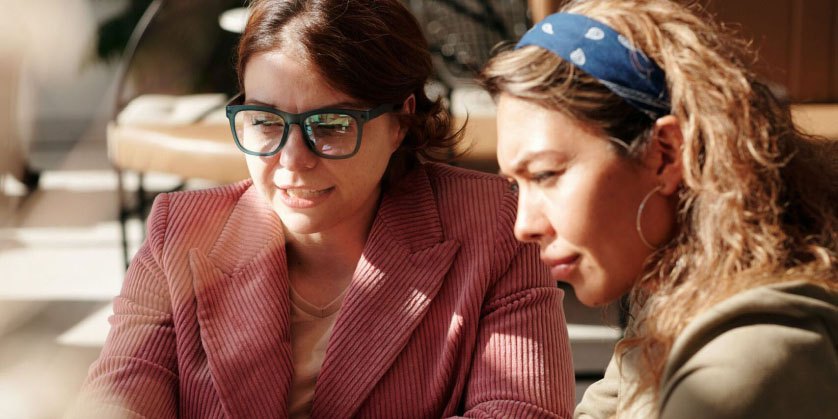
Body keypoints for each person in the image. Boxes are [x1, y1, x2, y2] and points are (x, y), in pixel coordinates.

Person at [71, 0, 576, 417]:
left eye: (331, 125)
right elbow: (118, 399)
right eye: (265, 122)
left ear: (401, 120)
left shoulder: (493, 226)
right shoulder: (178, 234)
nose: (292, 161)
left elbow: (522, 409)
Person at [480, 0, 838, 418]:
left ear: (665, 154)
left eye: (545, 175)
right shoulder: (668, 300)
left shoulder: (745, 362)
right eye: (515, 185)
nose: (524, 226)